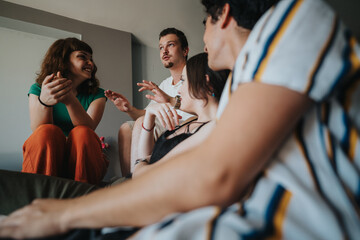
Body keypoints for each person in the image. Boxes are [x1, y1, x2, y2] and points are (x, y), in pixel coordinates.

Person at [1, 0, 360, 239]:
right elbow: (182, 164)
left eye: (203, 24)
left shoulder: (296, 18)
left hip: (190, 225)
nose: (203, 37)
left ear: (225, 14)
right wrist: (140, 153)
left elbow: (213, 172)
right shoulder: (243, 89)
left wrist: (64, 216)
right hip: (144, 218)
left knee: (36, 212)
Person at [105, 27, 194, 177]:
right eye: (161, 47)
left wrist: (170, 100)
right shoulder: (165, 83)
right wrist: (129, 108)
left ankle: (138, 180)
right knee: (126, 128)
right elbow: (146, 114)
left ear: (185, 50)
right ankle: (128, 179)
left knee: (141, 123)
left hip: (183, 124)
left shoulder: (195, 73)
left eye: (170, 45)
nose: (164, 51)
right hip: (164, 124)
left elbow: (203, 105)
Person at [22, 37, 108, 185]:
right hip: (50, 157)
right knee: (47, 131)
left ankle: (81, 196)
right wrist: (45, 102)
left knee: (83, 133)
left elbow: (89, 128)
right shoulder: (38, 88)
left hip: (82, 159)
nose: (91, 63)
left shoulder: (98, 94)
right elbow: (38, 129)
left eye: (91, 59)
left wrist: (69, 100)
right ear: (64, 61)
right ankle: (41, 194)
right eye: (82, 57)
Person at [132, 53, 229, 177]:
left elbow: (142, 174)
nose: (179, 90)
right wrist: (149, 117)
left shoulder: (210, 130)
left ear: (205, 82)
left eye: (183, 81)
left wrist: (141, 162)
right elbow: (147, 158)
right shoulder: (192, 121)